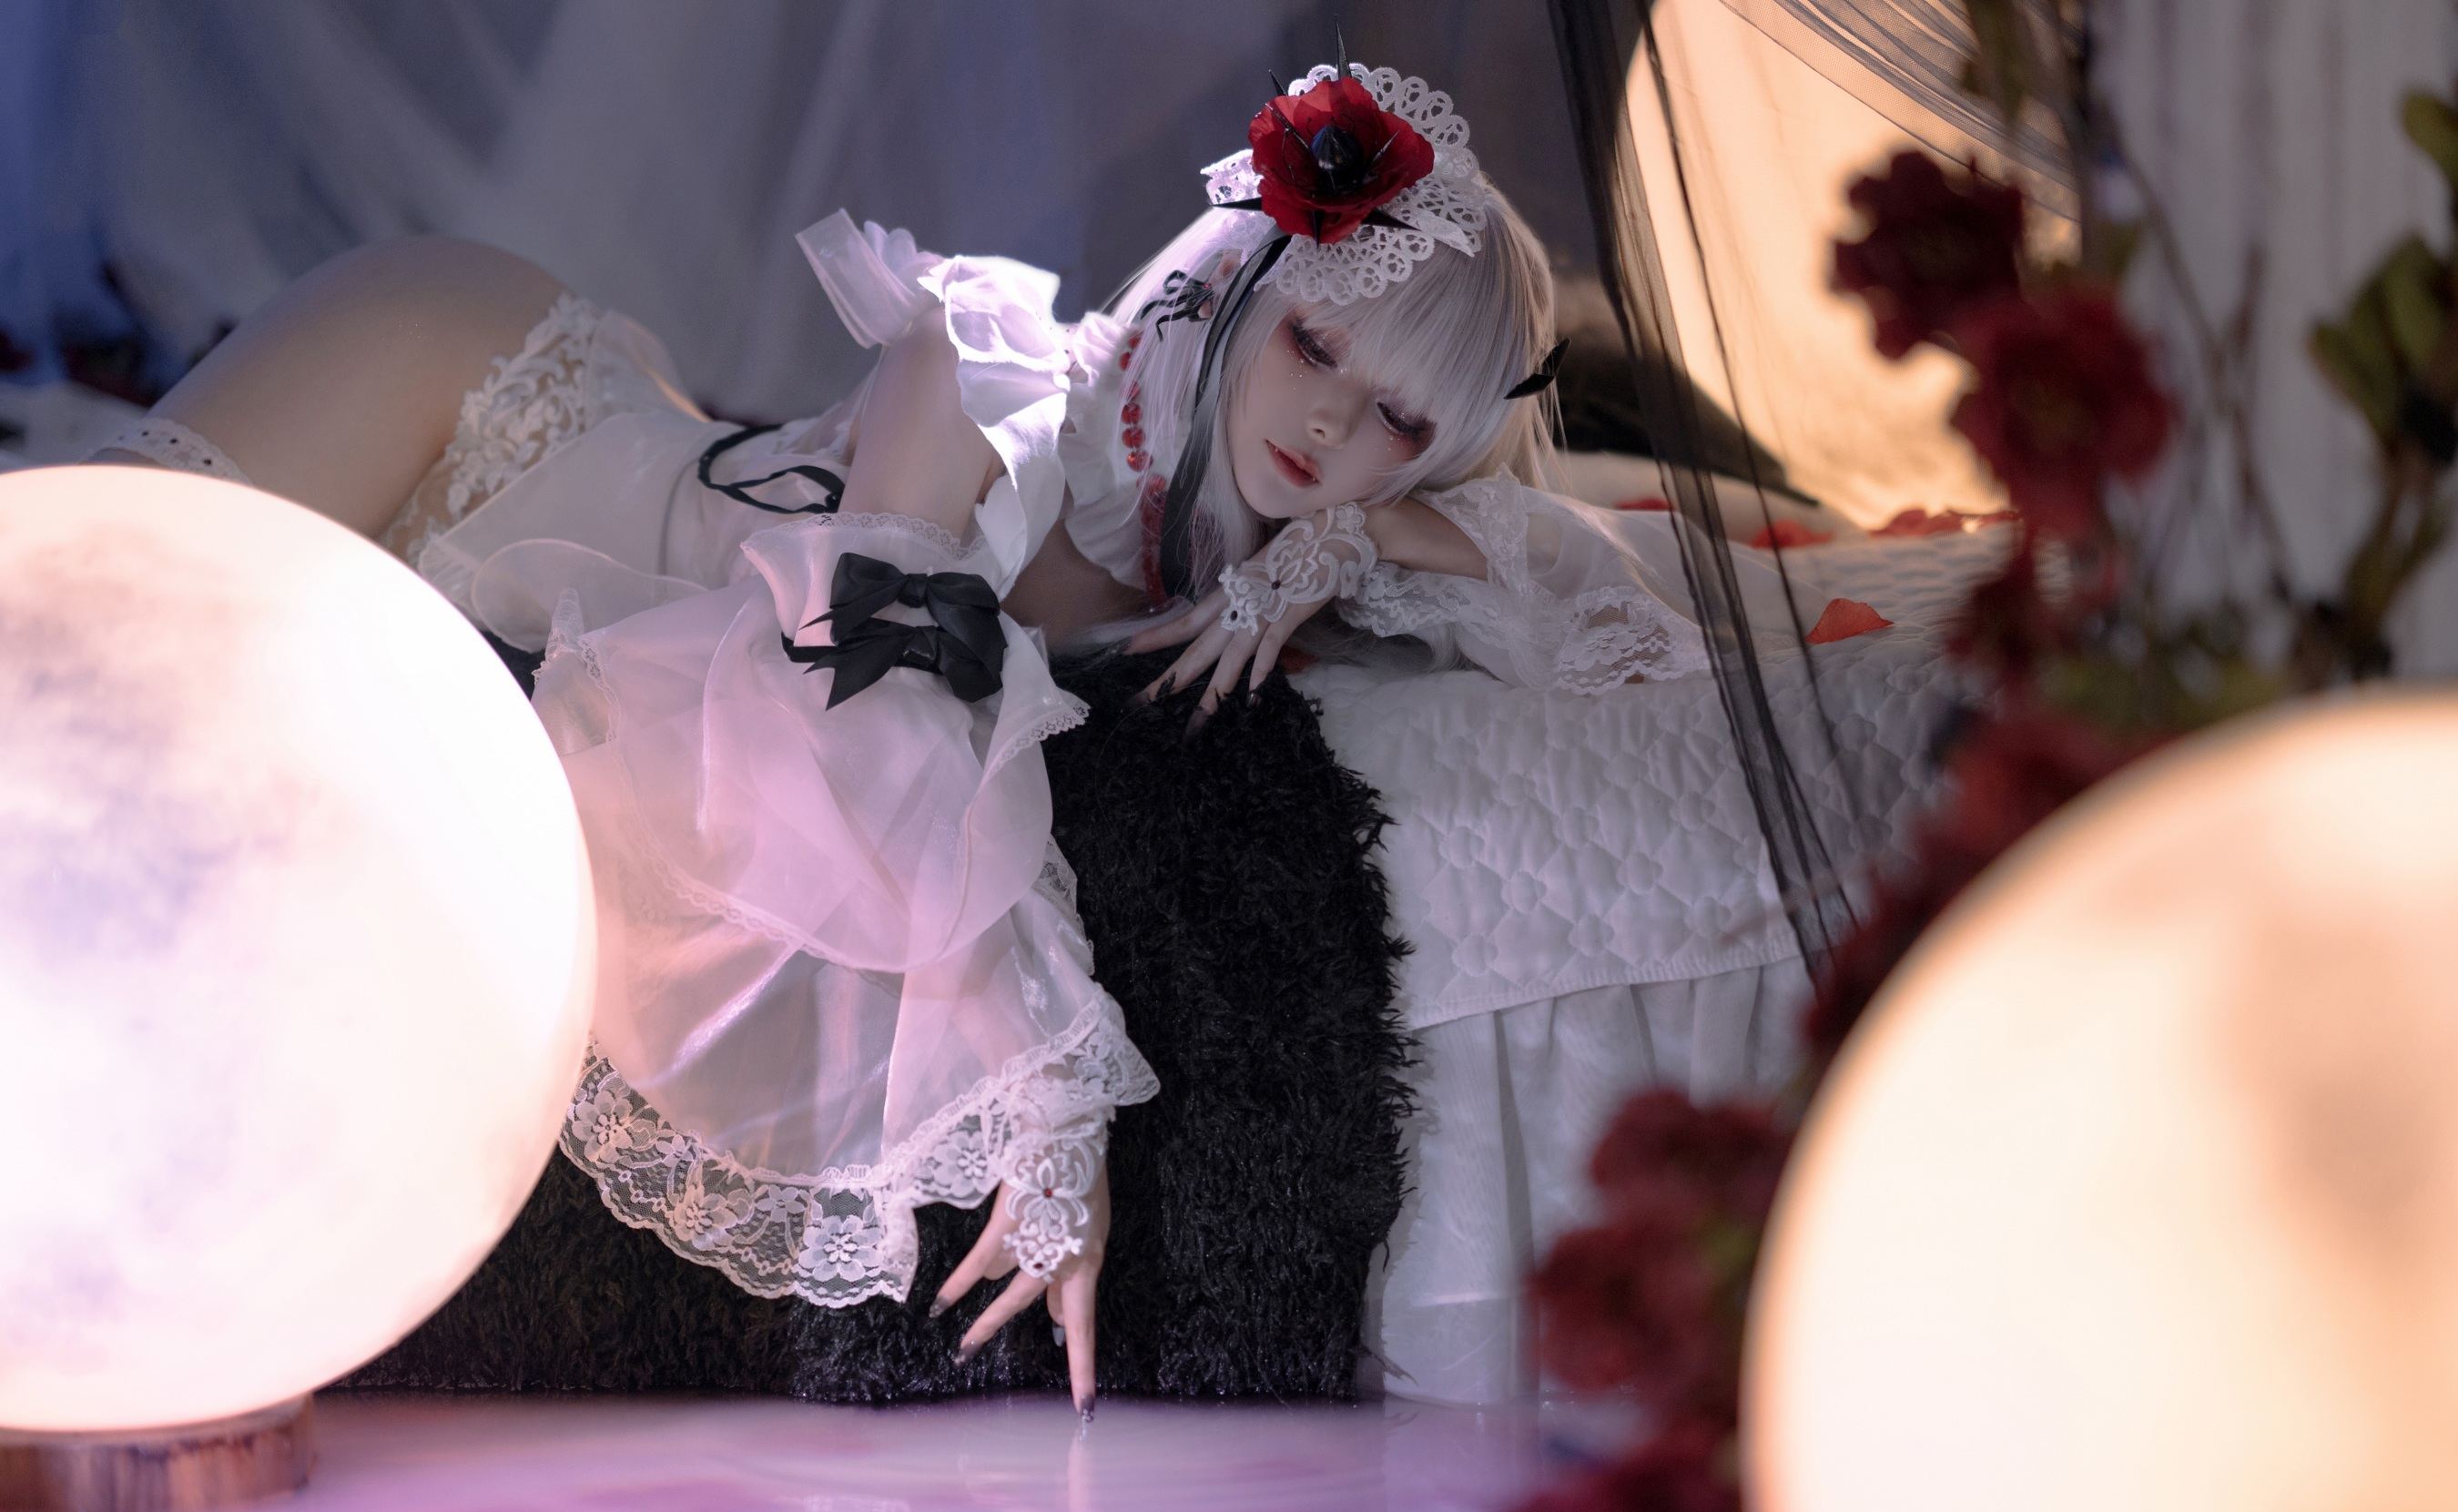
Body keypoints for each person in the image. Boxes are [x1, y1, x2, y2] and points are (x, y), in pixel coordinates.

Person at [95, 60, 1816, 1416]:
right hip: (458, 384)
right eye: (1315, 347)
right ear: (1237, 280)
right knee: (81, 636)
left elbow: (1592, 609)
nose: (1328, 426)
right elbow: (881, 721)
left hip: (593, 481)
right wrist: (1050, 1083)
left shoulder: (1241, 543)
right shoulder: (988, 387)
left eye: (1396, 426)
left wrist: (1346, 546)